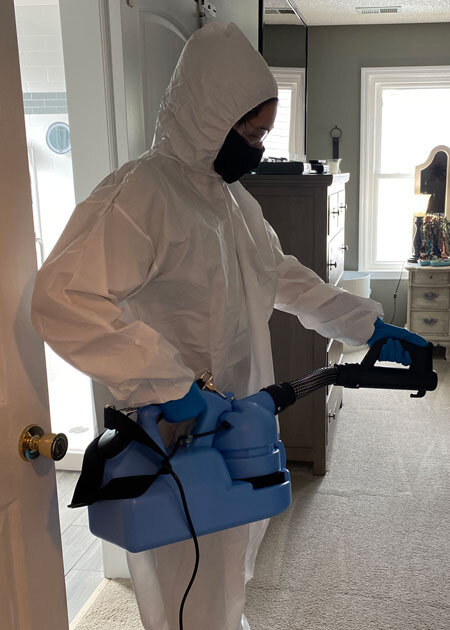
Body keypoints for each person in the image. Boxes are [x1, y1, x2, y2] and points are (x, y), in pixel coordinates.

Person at [31, 21, 427, 630]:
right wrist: (170, 385)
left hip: (237, 418)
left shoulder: (232, 200)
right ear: (209, 116)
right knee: (187, 579)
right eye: (252, 132)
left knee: (231, 562)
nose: (259, 147)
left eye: (265, 133)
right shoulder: (141, 195)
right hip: (175, 431)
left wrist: (367, 326)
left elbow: (282, 277)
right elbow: (63, 298)